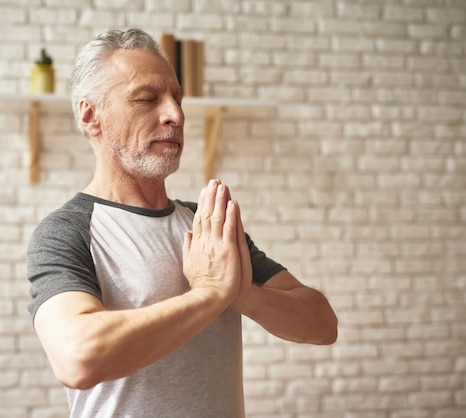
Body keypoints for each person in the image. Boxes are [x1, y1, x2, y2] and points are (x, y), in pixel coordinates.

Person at [27, 28, 338, 418]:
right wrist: (209, 295)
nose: (175, 114)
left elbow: (323, 324)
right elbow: (78, 358)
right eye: (147, 98)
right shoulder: (67, 231)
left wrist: (243, 294)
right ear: (92, 116)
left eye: (177, 97)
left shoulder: (208, 224)